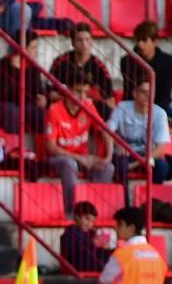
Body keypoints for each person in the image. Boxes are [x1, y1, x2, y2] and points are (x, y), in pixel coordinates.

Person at [46, 68, 114, 217]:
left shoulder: (88, 106)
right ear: (68, 90)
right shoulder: (54, 109)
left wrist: (108, 157)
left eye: (85, 92)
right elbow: (51, 147)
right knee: (69, 164)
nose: (82, 96)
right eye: (78, 91)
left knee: (108, 168)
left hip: (82, 158)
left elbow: (105, 132)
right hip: (59, 158)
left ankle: (91, 213)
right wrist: (79, 158)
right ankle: (72, 213)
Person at [107, 77, 171, 189]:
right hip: (125, 153)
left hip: (147, 155)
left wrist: (141, 161)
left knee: (162, 166)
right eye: (143, 92)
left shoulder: (160, 113)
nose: (148, 96)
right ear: (135, 93)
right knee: (120, 165)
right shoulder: (122, 107)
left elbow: (160, 150)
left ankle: (154, 201)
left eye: (151, 92)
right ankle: (125, 200)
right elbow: (107, 131)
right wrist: (117, 144)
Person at [49, 22, 116, 120]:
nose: (84, 44)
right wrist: (72, 100)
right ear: (73, 43)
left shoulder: (99, 66)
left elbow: (110, 99)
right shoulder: (60, 63)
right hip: (65, 106)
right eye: (80, 40)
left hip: (90, 108)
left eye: (87, 40)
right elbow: (51, 94)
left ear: (92, 41)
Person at [0, 30, 47, 134]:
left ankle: (40, 147)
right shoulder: (0, 66)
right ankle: (14, 146)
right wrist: (15, 70)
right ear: (22, 48)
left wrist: (42, 97)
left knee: (40, 112)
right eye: (33, 48)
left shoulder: (33, 67)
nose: (36, 51)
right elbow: (3, 95)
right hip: (5, 109)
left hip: (25, 107)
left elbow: (38, 90)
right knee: (12, 111)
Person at [120, 21, 172, 116]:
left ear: (155, 42)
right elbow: (128, 93)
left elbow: (164, 96)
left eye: (144, 40)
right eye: (138, 40)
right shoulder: (127, 61)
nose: (140, 44)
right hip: (134, 108)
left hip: (159, 108)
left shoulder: (168, 62)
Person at [60, 201, 112, 272]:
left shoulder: (92, 233)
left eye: (93, 221)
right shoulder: (68, 234)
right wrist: (91, 243)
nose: (90, 223)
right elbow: (71, 256)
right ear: (77, 217)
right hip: (77, 265)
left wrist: (104, 246)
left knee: (115, 253)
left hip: (92, 261)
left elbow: (96, 251)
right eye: (87, 219)